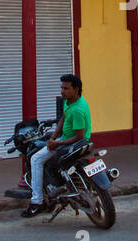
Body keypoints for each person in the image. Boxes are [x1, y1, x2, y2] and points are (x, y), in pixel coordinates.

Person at [24, 74, 91, 218]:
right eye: (61, 87)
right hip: (66, 139)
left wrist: (57, 143)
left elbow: (79, 137)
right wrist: (53, 136)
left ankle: (37, 202)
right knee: (45, 142)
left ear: (76, 89)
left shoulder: (77, 109)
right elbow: (63, 118)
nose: (62, 91)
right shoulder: (69, 102)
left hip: (74, 143)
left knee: (35, 159)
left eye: (66, 88)